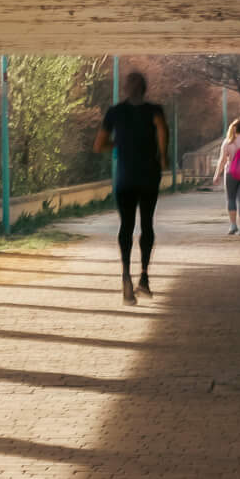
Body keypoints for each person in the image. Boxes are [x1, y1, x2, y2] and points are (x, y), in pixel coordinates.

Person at [94, 69, 167, 303]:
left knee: (126, 226)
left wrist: (118, 144)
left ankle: (125, 275)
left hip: (125, 177)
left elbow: (99, 145)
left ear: (126, 89)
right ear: (145, 89)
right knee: (147, 224)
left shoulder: (115, 112)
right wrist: (163, 155)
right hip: (148, 176)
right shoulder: (154, 110)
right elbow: (162, 131)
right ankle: (144, 277)